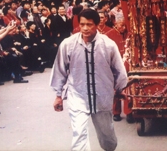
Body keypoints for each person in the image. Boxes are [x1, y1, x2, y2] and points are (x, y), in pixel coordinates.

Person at [50, 9, 127, 151]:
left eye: (89, 24)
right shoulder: (68, 44)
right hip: (77, 95)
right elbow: (59, 70)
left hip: (102, 96)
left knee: (107, 139)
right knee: (79, 134)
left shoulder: (108, 45)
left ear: (97, 24)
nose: (85, 28)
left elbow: (119, 70)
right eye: (82, 24)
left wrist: (119, 89)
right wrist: (58, 95)